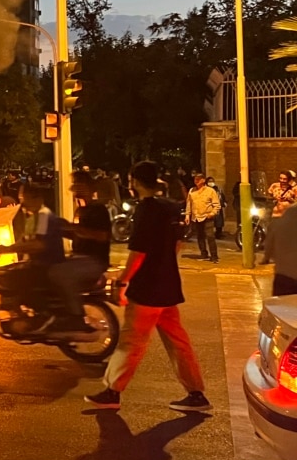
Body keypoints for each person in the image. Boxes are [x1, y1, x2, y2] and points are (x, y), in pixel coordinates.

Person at [84, 161, 211, 413]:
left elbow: (139, 252)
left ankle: (112, 391)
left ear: (135, 182)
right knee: (178, 342)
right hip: (168, 286)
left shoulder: (146, 210)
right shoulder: (170, 207)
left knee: (131, 341)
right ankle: (196, 393)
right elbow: (177, 245)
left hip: (147, 289)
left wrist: (123, 281)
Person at [0, 183, 68, 325]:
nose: (22, 204)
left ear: (37, 199)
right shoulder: (31, 218)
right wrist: (1, 249)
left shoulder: (43, 216)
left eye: (25, 199)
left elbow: (38, 245)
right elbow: (24, 240)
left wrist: (9, 249)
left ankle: (42, 316)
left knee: (17, 280)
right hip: (35, 263)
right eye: (21, 199)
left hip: (47, 266)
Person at [50, 171, 111, 334]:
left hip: (93, 261)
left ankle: (76, 317)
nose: (74, 189)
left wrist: (73, 228)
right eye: (75, 185)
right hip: (78, 259)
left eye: (79, 185)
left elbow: (101, 236)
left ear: (89, 188)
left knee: (59, 273)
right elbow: (77, 234)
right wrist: (59, 228)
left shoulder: (98, 209)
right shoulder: (81, 210)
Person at [185, 172, 222, 263]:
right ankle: (203, 253)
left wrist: (212, 213)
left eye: (198, 179)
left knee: (210, 236)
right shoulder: (192, 191)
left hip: (207, 217)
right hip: (196, 217)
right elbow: (189, 204)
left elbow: (217, 205)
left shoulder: (210, 191)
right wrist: (187, 215)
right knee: (200, 236)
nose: (196, 181)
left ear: (203, 180)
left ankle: (214, 256)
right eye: (195, 179)